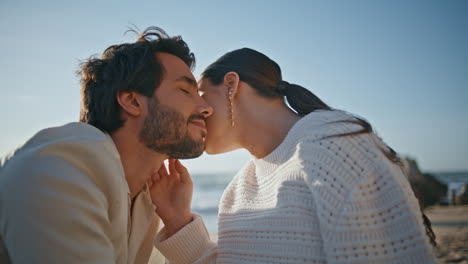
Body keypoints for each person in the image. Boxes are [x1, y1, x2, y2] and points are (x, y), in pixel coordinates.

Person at [151, 48, 437, 263]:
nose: (198, 109)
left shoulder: (331, 144)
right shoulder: (238, 191)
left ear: (231, 85)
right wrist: (178, 219)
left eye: (202, 93)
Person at [0, 27, 212, 263]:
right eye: (185, 90)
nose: (206, 107)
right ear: (132, 101)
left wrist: (178, 221)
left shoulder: (145, 200)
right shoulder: (62, 168)